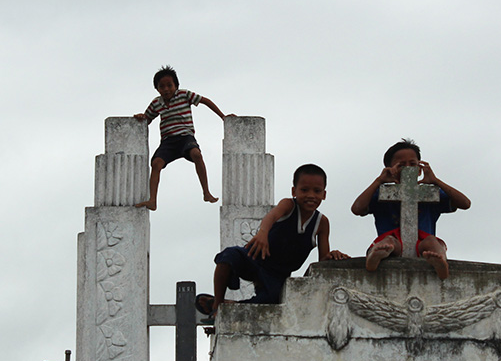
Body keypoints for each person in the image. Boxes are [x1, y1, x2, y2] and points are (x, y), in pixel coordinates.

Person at [197, 164, 349, 317]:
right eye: (304, 190)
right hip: (256, 257)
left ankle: (231, 307)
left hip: (277, 274)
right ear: (293, 191)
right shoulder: (288, 205)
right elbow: (271, 216)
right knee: (228, 256)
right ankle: (217, 305)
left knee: (273, 301)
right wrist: (262, 233)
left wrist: (332, 256)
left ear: (324, 194)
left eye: (317, 191)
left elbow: (322, 262)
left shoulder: (321, 223)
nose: (311, 195)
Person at [351, 139, 470, 278]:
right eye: (401, 165)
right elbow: (357, 209)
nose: (408, 168)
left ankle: (441, 261)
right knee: (389, 241)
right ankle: (374, 256)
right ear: (390, 169)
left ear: (420, 168)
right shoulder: (383, 193)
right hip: (394, 246)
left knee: (432, 241)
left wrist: (435, 181)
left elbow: (465, 203)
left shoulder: (428, 193)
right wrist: (379, 181)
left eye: (413, 164)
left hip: (422, 247)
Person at [134, 65, 232, 210]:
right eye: (162, 86)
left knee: (196, 154)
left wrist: (223, 116)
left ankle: (206, 192)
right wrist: (141, 117)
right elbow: (147, 119)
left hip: (185, 137)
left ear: (176, 85)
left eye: (169, 85)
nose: (166, 89)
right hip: (168, 141)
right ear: (157, 89)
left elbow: (205, 101)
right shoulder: (157, 103)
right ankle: (152, 200)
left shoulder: (184, 95)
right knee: (156, 164)